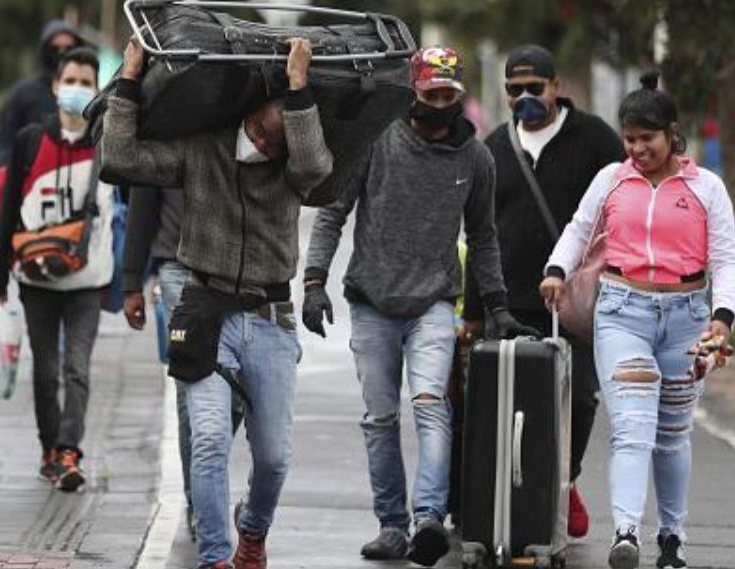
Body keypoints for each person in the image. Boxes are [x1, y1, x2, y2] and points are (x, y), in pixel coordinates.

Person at [302, 46, 537, 567]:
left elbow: (484, 236)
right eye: (431, 94)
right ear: (413, 94)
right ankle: (391, 526)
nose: (440, 102)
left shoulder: (476, 159)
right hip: (372, 303)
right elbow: (331, 211)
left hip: (433, 303)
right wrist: (314, 279)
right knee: (380, 418)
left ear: (459, 98)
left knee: (432, 406)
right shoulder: (375, 141)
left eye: (449, 95)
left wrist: (497, 303)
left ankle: (427, 518)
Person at [104, 36, 333, 569]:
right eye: (259, 132)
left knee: (274, 457)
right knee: (207, 439)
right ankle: (213, 555)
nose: (264, 146)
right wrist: (129, 80)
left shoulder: (293, 167)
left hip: (270, 319)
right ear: (245, 113)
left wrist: (299, 91)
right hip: (203, 307)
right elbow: (120, 158)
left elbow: (318, 168)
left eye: (276, 143)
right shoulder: (200, 147)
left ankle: (251, 529)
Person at [541, 73, 735, 569]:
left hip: (688, 318)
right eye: (629, 140)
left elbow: (727, 259)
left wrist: (722, 318)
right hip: (622, 313)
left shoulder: (706, 188)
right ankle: (626, 533)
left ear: (672, 134)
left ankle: (671, 539)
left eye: (646, 139)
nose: (636, 149)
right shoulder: (612, 179)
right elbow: (579, 229)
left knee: (672, 434)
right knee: (630, 428)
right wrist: (556, 271)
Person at [462, 44, 625, 538]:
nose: (525, 97)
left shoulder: (596, 140)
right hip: (506, 302)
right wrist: (472, 312)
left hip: (576, 304)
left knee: (579, 399)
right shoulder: (491, 148)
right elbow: (479, 232)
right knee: (505, 406)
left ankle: (565, 478)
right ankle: (511, 504)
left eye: (536, 88)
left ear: (557, 88)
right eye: (515, 90)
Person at [0, 48, 113, 494]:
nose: (77, 89)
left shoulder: (108, 142)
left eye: (86, 82)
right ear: (56, 86)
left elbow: (131, 211)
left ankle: (69, 451)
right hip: (36, 278)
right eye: (70, 80)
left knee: (76, 367)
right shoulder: (29, 140)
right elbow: (6, 214)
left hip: (87, 280)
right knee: (45, 370)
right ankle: (48, 447)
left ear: (97, 91)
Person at [121, 185, 245, 540]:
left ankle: (204, 481)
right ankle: (200, 503)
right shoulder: (164, 130)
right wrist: (132, 281)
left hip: (239, 270)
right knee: (193, 386)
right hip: (178, 266)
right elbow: (142, 200)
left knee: (237, 395)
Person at [0, 20, 84, 170]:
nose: (62, 54)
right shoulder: (22, 94)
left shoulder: (88, 94)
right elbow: (4, 145)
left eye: (69, 48)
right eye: (55, 49)